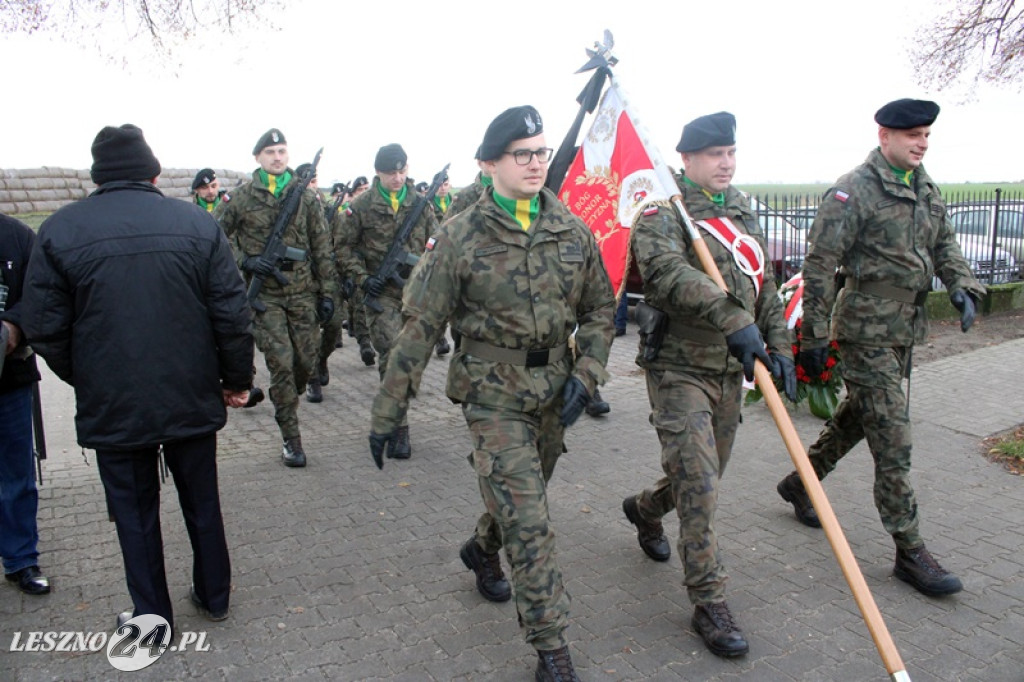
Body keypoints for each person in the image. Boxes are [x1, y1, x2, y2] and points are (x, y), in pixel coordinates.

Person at [368, 105, 615, 680]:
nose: (535, 163)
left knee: (516, 502)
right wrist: (387, 411)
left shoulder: (571, 228)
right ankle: (552, 647)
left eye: (541, 152)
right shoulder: (459, 235)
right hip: (491, 396)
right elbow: (420, 327)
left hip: (557, 392)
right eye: (521, 153)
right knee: (530, 521)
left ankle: (482, 549)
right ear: (489, 164)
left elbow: (601, 308)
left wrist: (589, 372)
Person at [19, 124, 254, 630]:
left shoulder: (62, 228)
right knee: (202, 500)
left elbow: (42, 325)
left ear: (97, 177)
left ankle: (152, 614)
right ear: (151, 171)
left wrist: (87, 375)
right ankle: (215, 596)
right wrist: (236, 379)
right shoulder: (195, 222)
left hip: (115, 399)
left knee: (134, 513)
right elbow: (232, 313)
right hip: (189, 390)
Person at [775, 98, 986, 597]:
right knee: (893, 438)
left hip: (904, 330)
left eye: (927, 135)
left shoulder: (924, 185)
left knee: (859, 417)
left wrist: (962, 285)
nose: (922, 143)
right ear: (884, 135)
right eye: (912, 134)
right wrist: (814, 335)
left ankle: (801, 483)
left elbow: (945, 246)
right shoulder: (853, 191)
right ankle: (910, 551)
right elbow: (821, 265)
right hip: (864, 330)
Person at [622, 111, 796, 658]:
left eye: (732, 152)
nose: (726, 162)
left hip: (731, 369)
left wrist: (780, 347)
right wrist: (731, 317)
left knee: (702, 477)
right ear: (687, 160)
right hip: (678, 368)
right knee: (699, 485)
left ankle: (646, 509)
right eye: (715, 154)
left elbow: (762, 284)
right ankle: (710, 600)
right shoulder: (664, 213)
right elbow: (667, 276)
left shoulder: (741, 210)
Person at [215, 128, 338, 467]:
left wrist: (329, 293)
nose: (277, 157)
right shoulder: (241, 197)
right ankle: (291, 438)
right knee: (282, 364)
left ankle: (287, 398)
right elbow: (216, 236)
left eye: (282, 151)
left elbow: (322, 247)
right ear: (258, 158)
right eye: (270, 152)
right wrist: (246, 260)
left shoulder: (307, 197)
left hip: (301, 292)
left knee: (305, 362)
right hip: (264, 295)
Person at [339, 143, 439, 460]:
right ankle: (399, 427)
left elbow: (438, 244)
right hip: (380, 293)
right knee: (392, 356)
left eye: (401, 171)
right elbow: (342, 247)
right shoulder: (362, 206)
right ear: (378, 173)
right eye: (390, 173)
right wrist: (362, 277)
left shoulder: (421, 205)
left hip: (415, 293)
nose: (397, 178)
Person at [0, 213, 49, 597]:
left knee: (16, 475)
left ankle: (20, 559)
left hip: (10, 380)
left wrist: (13, 328)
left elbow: (40, 296)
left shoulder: (17, 236)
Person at [196, 167, 265, 409]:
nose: (210, 191)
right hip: (207, 282)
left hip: (236, 276)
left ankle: (246, 381)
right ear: (196, 191)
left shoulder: (227, 206)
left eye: (213, 186)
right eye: (205, 187)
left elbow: (234, 242)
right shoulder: (192, 214)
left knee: (240, 327)